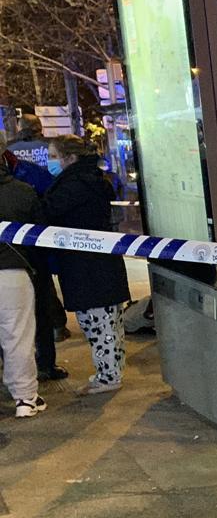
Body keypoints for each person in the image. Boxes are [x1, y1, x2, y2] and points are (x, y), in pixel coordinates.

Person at [44, 135, 131, 396]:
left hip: (89, 269)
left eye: (53, 156)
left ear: (70, 158)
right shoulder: (88, 179)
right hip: (95, 267)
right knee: (105, 323)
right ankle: (108, 373)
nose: (50, 162)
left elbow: (47, 210)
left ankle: (108, 376)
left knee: (99, 324)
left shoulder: (75, 185)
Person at [1, 133, 68, 381]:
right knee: (21, 325)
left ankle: (45, 365)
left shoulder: (25, 172)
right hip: (24, 261)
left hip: (31, 262)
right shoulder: (22, 180)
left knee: (38, 314)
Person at [0, 154, 47, 417]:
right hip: (11, 271)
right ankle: (26, 398)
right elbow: (39, 234)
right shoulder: (22, 191)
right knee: (17, 338)